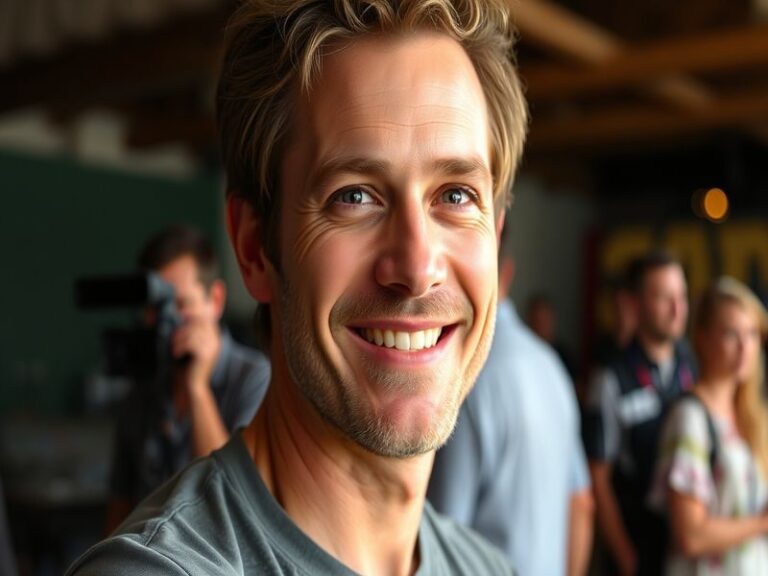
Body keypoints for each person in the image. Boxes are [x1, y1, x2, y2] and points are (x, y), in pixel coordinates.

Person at [67, 0, 528, 574]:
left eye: (456, 195)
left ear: (496, 232)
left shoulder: (489, 568)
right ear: (254, 249)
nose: (416, 266)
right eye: (354, 195)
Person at [428, 237, 594, 576]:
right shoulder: (553, 368)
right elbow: (581, 504)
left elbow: (441, 539)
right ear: (509, 271)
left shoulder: (467, 374)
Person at [105, 225, 271, 531]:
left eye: (180, 304)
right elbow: (120, 507)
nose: (166, 320)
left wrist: (198, 388)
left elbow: (233, 501)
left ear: (216, 300)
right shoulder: (143, 390)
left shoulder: (255, 379)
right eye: (155, 308)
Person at [583, 250, 696, 576]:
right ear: (636, 303)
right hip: (638, 546)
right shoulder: (611, 377)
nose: (677, 309)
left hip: (686, 545)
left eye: (682, 296)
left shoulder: (692, 366)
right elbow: (598, 479)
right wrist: (626, 556)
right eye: (663, 297)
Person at [649, 277, 768, 574]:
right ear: (702, 338)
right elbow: (690, 535)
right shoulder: (691, 418)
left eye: (752, 333)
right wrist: (761, 523)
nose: (744, 347)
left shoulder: (749, 416)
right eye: (731, 334)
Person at [526, 292, 579, 382]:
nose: (541, 326)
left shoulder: (564, 356)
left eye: (545, 320)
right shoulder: (524, 356)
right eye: (537, 321)